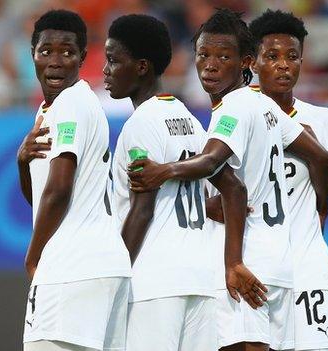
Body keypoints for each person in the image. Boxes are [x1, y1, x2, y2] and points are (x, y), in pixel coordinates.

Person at [127, 8, 328, 351]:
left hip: (247, 261)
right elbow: (321, 157)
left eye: (224, 56)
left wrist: (163, 171)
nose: (210, 64)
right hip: (281, 261)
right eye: (203, 54)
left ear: (246, 62)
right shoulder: (265, 105)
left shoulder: (234, 107)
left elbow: (211, 161)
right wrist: (319, 210)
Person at [249, 9, 328, 350]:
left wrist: (317, 153)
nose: (284, 65)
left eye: (292, 56)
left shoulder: (324, 120)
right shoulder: (238, 116)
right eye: (272, 56)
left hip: (307, 267)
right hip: (257, 269)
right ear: (253, 62)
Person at [19, 9, 131, 351]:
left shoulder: (69, 103)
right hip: (106, 266)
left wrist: (35, 254)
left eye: (67, 52)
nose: (55, 61)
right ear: (33, 55)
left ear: (83, 57)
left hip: (71, 265)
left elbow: (59, 188)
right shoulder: (53, 109)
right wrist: (23, 162)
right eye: (46, 51)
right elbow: (41, 197)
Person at [103, 14, 216, 350]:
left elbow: (142, 211)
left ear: (141, 67)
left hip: (154, 281)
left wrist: (113, 279)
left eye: (113, 60)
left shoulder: (141, 124)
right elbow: (219, 195)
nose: (105, 70)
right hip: (200, 279)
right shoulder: (191, 121)